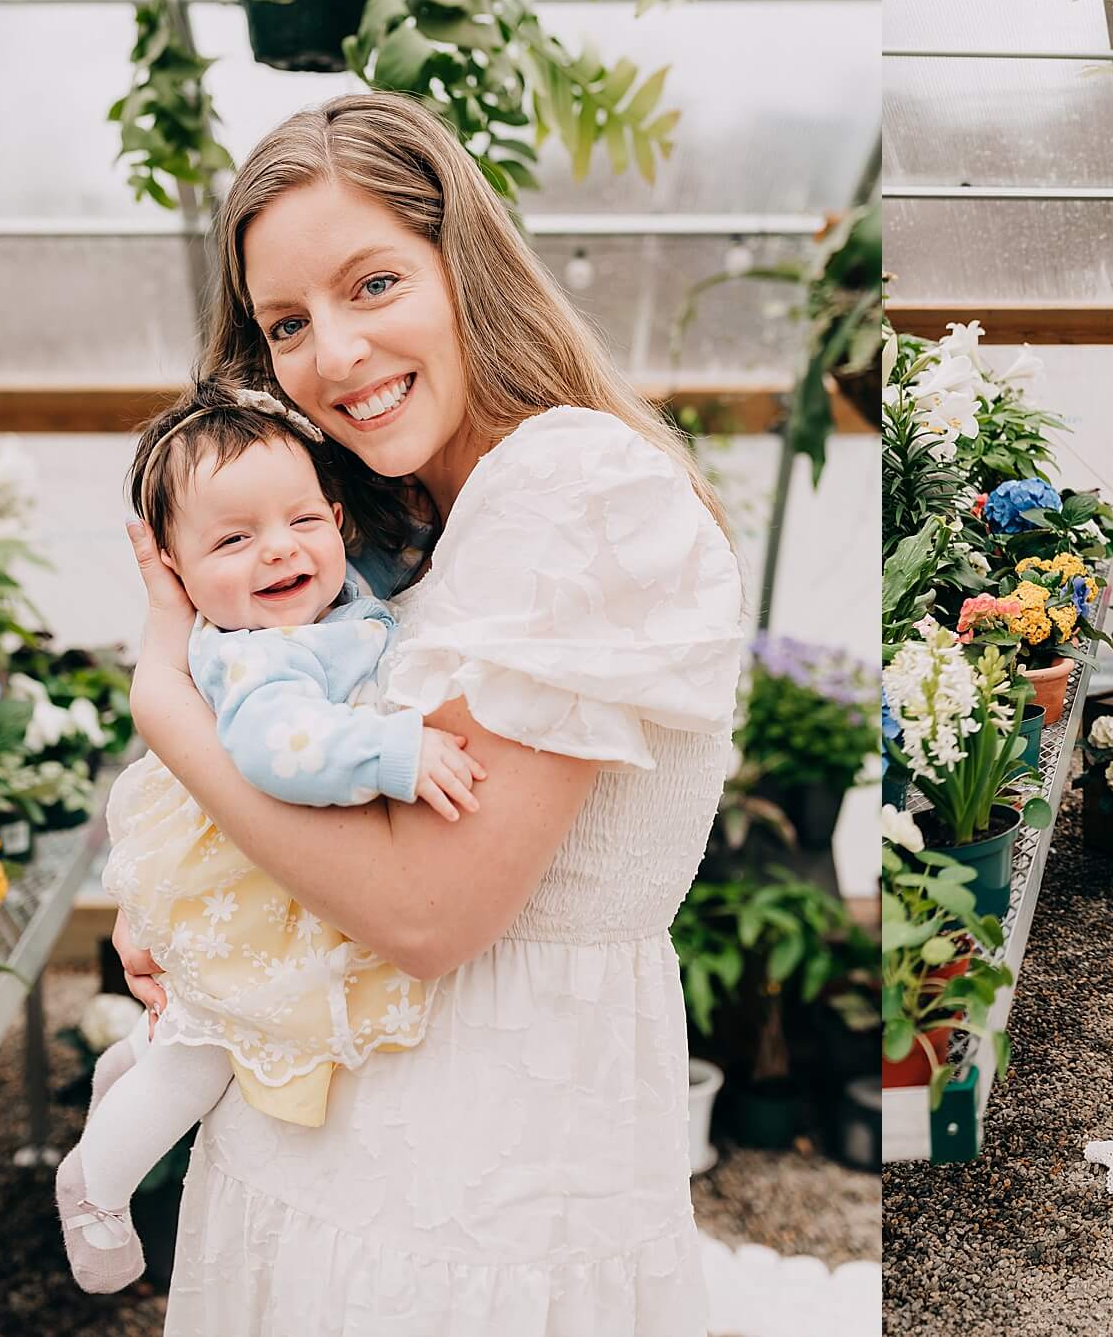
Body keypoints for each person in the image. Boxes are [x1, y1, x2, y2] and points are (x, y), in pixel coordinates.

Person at [114, 92, 744, 1334]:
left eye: (372, 284)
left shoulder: (571, 486)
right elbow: (341, 811)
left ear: (464, 265)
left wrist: (164, 704)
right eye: (286, 322)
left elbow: (427, 908)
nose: (333, 354)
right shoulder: (410, 526)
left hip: (481, 1166)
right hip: (346, 1141)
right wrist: (195, 925)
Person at [60, 381, 487, 1293]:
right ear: (177, 573)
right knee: (213, 1051)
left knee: (197, 1034)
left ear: (336, 519)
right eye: (232, 540)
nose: (279, 549)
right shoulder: (260, 653)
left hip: (252, 882)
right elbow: (279, 749)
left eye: (301, 518)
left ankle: (125, 1073)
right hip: (242, 892)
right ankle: (94, 1187)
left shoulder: (323, 602)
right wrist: (392, 749)